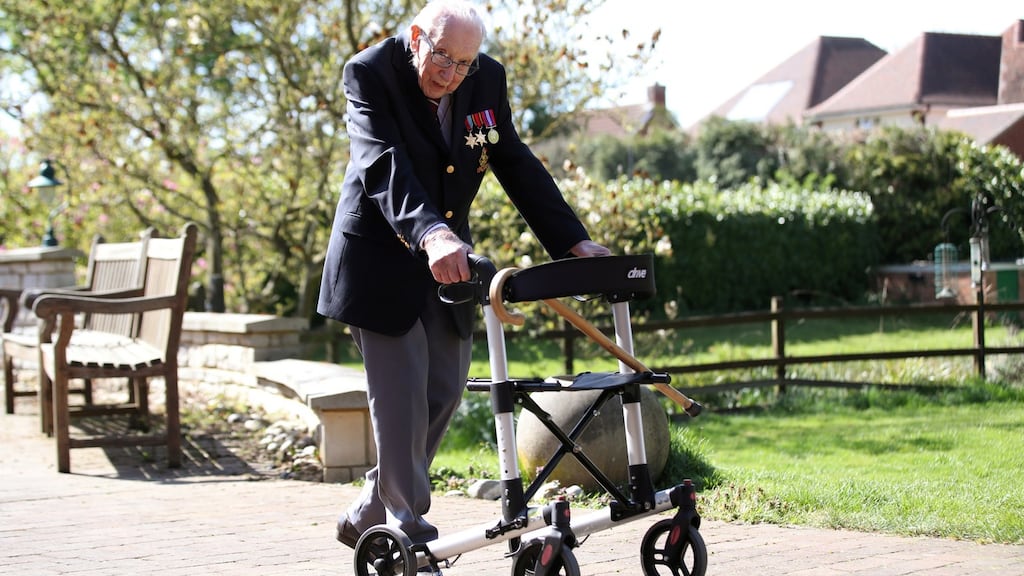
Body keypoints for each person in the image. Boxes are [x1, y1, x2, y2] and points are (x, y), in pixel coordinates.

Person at [316, 0, 610, 572]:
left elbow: (513, 159)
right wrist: (429, 232)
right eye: (442, 58)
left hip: (451, 264)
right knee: (399, 399)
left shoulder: (487, 78)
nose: (450, 74)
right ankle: (408, 525)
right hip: (381, 259)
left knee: (445, 391)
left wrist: (571, 240)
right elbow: (381, 163)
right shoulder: (370, 73)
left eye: (463, 64)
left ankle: (368, 510)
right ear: (415, 37)